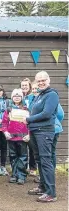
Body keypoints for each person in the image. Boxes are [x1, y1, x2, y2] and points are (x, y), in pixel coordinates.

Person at [26, 71, 59, 203]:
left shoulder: (52, 95)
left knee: (46, 161)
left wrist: (28, 119)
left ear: (48, 80)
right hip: (35, 131)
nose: (41, 82)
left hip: (44, 131)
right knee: (39, 160)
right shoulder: (40, 95)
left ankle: (51, 193)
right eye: (38, 80)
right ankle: (43, 186)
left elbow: (46, 114)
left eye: (43, 80)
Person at [2, 89, 30, 185]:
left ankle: (22, 175)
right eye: (15, 96)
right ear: (12, 98)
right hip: (11, 137)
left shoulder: (26, 109)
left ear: (22, 97)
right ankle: (14, 175)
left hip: (22, 137)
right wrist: (5, 132)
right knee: (13, 156)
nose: (17, 97)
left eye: (18, 96)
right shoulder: (9, 109)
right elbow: (4, 123)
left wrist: (29, 134)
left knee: (23, 156)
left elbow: (30, 123)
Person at [21, 78, 37, 177]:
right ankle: (24, 167)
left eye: (26, 85)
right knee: (23, 147)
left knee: (32, 147)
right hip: (21, 125)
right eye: (22, 85)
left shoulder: (33, 97)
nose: (24, 87)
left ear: (29, 86)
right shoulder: (19, 96)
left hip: (31, 123)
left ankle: (33, 167)